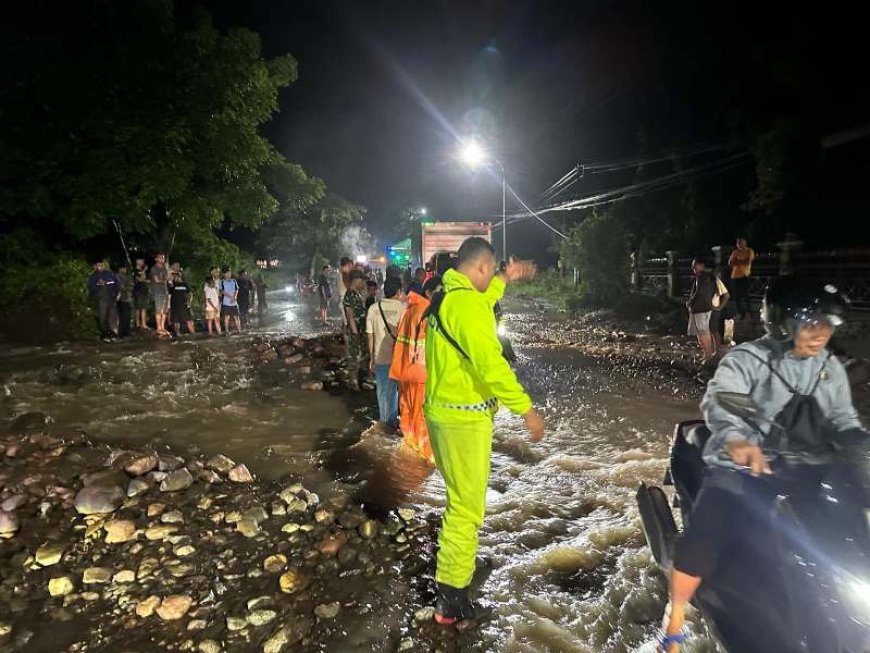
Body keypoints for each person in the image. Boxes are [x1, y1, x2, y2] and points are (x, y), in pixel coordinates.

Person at [659, 278, 866, 652]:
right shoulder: (747, 360)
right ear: (782, 322)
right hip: (745, 470)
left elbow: (846, 425)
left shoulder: (829, 368)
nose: (820, 332)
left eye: (825, 324)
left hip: (807, 472)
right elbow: (722, 403)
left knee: (851, 536)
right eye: (811, 322)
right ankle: (673, 623)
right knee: (705, 539)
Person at [425, 237, 545, 625]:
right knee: (466, 507)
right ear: (479, 268)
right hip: (463, 421)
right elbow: (492, 367)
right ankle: (451, 601)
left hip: (445, 415)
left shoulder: (449, 297)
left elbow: (481, 300)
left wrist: (504, 279)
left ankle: (459, 566)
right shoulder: (467, 307)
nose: (492, 278)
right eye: (491, 272)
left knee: (459, 498)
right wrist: (526, 410)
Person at [390, 275, 441, 462]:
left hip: (405, 371)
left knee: (408, 411)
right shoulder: (427, 311)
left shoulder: (409, 310)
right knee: (421, 414)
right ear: (428, 292)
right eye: (439, 291)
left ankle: (410, 448)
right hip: (421, 373)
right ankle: (425, 456)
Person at [366, 276, 405, 428]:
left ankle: (385, 425)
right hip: (400, 359)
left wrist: (371, 358)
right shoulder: (403, 309)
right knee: (400, 392)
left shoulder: (374, 309)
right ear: (399, 291)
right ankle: (396, 423)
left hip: (380, 358)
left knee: (383, 393)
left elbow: (370, 335)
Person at [343, 269, 369, 390]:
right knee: (354, 357)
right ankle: (353, 384)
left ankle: (360, 380)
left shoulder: (357, 294)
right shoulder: (349, 295)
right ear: (356, 280)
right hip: (355, 332)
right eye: (362, 280)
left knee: (361, 356)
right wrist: (355, 334)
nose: (363, 282)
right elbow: (350, 315)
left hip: (360, 330)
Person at [687, 258, 717, 362]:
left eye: (695, 265)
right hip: (706, 307)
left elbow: (699, 292)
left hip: (700, 308)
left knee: (702, 333)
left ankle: (707, 355)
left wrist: (691, 302)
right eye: (693, 265)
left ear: (702, 265)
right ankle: (707, 354)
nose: (693, 268)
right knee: (704, 332)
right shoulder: (710, 276)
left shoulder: (701, 277)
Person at [87, 260, 120, 342]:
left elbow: (116, 284)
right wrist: (98, 284)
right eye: (98, 266)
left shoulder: (110, 274)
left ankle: (113, 335)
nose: (100, 267)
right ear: (95, 266)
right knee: (102, 318)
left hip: (111, 298)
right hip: (101, 300)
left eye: (101, 265)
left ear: (104, 265)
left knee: (112, 318)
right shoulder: (93, 276)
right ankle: (105, 335)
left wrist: (118, 294)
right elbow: (91, 288)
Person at [728, 237, 756, 320]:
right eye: (738, 243)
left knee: (746, 295)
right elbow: (730, 263)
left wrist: (736, 261)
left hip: (745, 275)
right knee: (737, 297)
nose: (739, 244)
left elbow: (747, 262)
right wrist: (740, 261)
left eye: (740, 242)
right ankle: (740, 313)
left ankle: (750, 312)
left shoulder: (749, 251)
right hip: (735, 276)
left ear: (745, 243)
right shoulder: (735, 252)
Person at [709, 273, 731, 356]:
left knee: (713, 330)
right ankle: (711, 351)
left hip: (713, 309)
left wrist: (719, 307)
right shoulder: (702, 280)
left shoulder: (716, 281)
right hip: (706, 309)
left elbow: (726, 295)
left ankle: (717, 351)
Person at [149, 253, 171, 337]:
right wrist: (165, 279)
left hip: (165, 291)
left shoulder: (164, 269)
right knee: (158, 310)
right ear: (156, 259)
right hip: (157, 292)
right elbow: (157, 280)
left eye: (163, 258)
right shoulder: (154, 268)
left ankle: (162, 327)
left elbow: (169, 278)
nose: (162, 259)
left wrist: (168, 271)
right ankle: (158, 328)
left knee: (165, 310)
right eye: (160, 258)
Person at [169, 271, 195, 335]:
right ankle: (178, 335)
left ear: (179, 276)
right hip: (175, 306)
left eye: (176, 276)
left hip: (184, 305)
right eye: (173, 276)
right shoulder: (172, 285)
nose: (174, 277)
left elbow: (190, 294)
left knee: (189, 320)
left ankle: (194, 335)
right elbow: (169, 295)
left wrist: (189, 302)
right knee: (176, 321)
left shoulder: (184, 284)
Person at [221, 267, 241, 334]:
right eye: (227, 273)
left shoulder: (234, 281)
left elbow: (237, 289)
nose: (229, 274)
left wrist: (234, 297)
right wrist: (231, 297)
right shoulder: (222, 282)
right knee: (226, 317)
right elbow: (222, 291)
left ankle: (239, 330)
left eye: (229, 272)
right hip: (226, 302)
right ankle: (227, 331)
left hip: (234, 302)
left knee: (237, 317)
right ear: (224, 274)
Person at [115, 263, 133, 338]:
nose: (125, 270)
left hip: (127, 299)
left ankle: (126, 333)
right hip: (121, 299)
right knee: (123, 317)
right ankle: (122, 333)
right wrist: (126, 287)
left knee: (127, 317)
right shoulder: (117, 276)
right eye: (123, 268)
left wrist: (127, 287)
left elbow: (131, 286)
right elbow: (121, 287)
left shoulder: (126, 277)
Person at [132, 258, 150, 330]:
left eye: (143, 261)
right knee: (138, 308)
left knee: (144, 307)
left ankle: (144, 324)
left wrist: (145, 279)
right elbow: (139, 279)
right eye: (141, 260)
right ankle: (137, 324)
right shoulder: (135, 271)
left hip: (144, 290)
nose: (143, 262)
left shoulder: (143, 271)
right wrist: (144, 271)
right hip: (137, 291)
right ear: (137, 261)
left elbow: (146, 279)